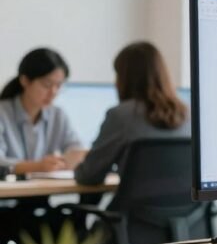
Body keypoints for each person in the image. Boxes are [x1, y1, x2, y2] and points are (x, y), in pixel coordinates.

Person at [74, 42, 190, 187]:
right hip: (189, 209)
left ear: (125, 78)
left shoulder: (120, 115)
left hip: (136, 209)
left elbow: (88, 175)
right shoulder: (190, 115)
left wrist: (77, 164)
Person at [0, 48, 85, 175]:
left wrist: (75, 157)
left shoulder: (58, 115)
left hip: (42, 190)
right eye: (47, 84)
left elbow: (75, 148)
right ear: (25, 81)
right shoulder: (3, 113)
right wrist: (38, 166)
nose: (53, 92)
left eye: (59, 85)